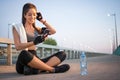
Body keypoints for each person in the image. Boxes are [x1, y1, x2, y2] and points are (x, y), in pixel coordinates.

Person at [12, 3, 70, 75]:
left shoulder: (37, 29)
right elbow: (18, 46)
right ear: (25, 15)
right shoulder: (17, 28)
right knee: (24, 54)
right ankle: (52, 69)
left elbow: (53, 31)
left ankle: (37, 70)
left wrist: (42, 20)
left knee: (62, 54)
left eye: (34, 14)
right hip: (24, 61)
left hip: (36, 59)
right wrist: (34, 42)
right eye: (30, 14)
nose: (32, 17)